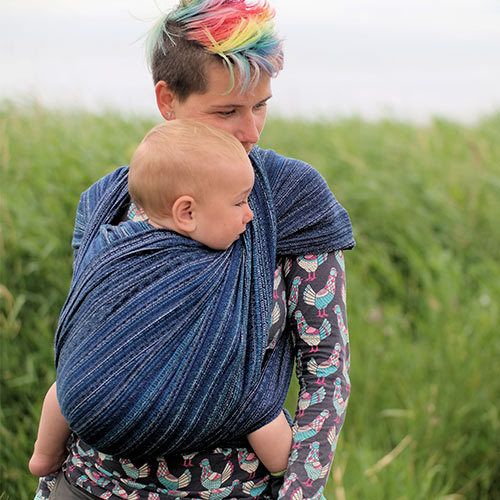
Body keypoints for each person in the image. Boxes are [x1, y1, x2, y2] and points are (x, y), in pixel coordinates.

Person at [35, 1, 355, 499]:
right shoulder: (106, 205)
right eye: (227, 111)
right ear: (167, 100)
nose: (251, 131)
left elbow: (326, 366)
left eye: (261, 105)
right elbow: (88, 351)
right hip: (85, 485)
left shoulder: (291, 200)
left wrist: (300, 492)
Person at [29, 119, 293, 478]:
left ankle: (44, 455)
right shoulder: (209, 271)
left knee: (71, 377)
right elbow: (225, 345)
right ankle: (282, 464)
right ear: (187, 213)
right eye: (240, 202)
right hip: (162, 410)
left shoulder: (110, 244)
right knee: (248, 397)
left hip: (87, 402)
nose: (251, 213)